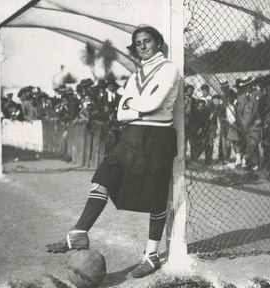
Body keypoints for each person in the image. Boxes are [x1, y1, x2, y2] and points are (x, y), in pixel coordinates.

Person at [46, 25, 179, 278]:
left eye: (147, 41)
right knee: (104, 176)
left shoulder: (169, 69)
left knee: (156, 195)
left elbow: (154, 103)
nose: (142, 46)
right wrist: (137, 107)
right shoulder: (136, 76)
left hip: (158, 137)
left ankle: (151, 255)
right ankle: (79, 233)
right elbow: (120, 114)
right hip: (132, 135)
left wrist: (132, 105)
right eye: (137, 43)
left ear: (158, 43)